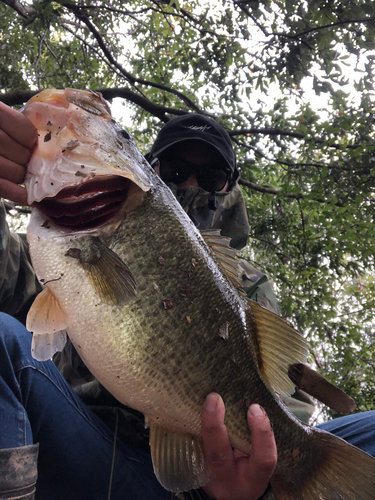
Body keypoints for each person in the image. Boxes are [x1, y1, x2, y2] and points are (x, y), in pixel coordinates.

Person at [0, 101, 374, 500]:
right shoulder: (56, 248)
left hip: (204, 483)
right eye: (177, 170)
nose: (192, 184)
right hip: (87, 449)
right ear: (152, 171)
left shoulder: (249, 283)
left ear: (228, 188)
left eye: (211, 175)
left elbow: (283, 394)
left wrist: (260, 477)